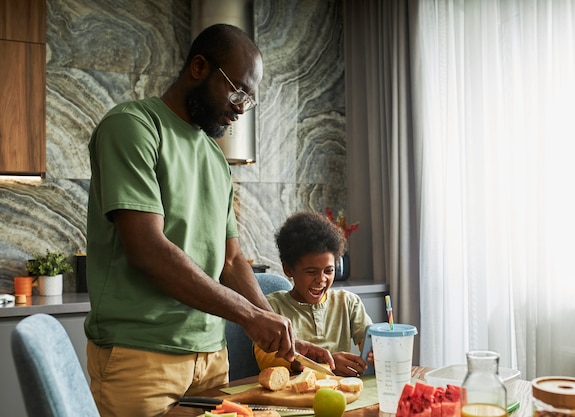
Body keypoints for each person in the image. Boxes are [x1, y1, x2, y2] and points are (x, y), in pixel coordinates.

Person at [85, 24, 334, 417]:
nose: (240, 107)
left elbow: (231, 261)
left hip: (212, 358)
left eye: (248, 100)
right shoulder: (133, 127)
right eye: (237, 92)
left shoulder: (216, 159)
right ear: (199, 67)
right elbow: (147, 250)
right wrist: (250, 317)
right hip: (141, 355)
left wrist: (282, 335)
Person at [254, 211, 374, 377]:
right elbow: (265, 360)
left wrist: (376, 352)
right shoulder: (271, 307)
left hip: (340, 394)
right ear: (288, 269)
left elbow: (370, 341)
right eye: (311, 271)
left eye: (329, 271)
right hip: (294, 396)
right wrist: (326, 365)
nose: (321, 279)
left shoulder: (348, 303)